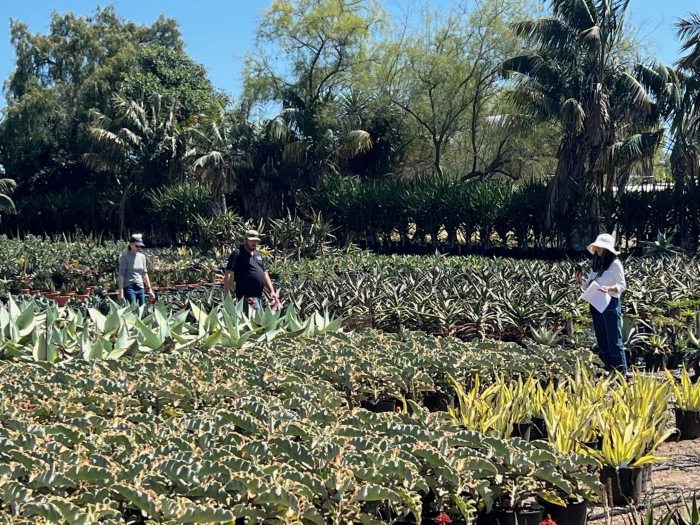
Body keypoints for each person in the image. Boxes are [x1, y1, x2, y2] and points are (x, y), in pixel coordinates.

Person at [575, 233, 628, 374]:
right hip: (596, 303)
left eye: (600, 247)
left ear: (607, 249)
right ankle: (609, 369)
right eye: (597, 247)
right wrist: (581, 281)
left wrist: (609, 288)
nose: (597, 250)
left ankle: (621, 371)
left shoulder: (615, 264)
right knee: (601, 337)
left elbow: (622, 285)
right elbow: (590, 285)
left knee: (613, 339)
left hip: (610, 303)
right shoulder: (596, 265)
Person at [223, 230, 280, 310]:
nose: (254, 243)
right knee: (252, 319)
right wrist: (226, 294)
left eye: (256, 241)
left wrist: (272, 291)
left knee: (258, 320)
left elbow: (264, 273)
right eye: (252, 241)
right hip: (247, 298)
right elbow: (228, 274)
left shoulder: (258, 255)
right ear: (245, 240)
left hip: (258, 297)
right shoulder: (237, 254)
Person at [117, 234, 156, 305]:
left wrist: (149, 289)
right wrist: (121, 291)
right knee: (133, 310)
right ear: (131, 245)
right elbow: (121, 274)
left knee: (142, 309)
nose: (139, 248)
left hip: (140, 287)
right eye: (137, 246)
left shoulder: (142, 257)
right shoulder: (124, 257)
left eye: (140, 246)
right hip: (129, 287)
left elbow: (144, 273)